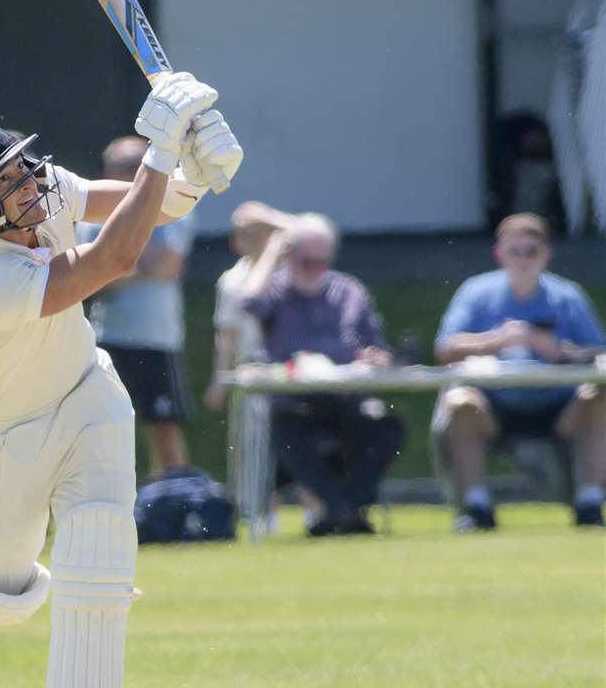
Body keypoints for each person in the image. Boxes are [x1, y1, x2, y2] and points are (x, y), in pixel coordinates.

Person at [0, 73, 243, 688]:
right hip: (6, 437)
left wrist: (196, 174)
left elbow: (140, 209)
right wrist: (163, 152)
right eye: (5, 182)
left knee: (98, 561)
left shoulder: (49, 190)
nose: (28, 184)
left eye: (22, 167)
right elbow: (110, 261)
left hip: (89, 398)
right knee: (8, 593)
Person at [433, 212, 604, 530]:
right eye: (515, 251)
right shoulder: (477, 292)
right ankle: (476, 507)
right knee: (459, 402)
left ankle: (590, 504)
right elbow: (446, 348)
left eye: (532, 251)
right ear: (500, 254)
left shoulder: (567, 296)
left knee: (598, 397)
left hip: (558, 406)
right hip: (495, 407)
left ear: (547, 255)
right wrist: (496, 340)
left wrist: (556, 349)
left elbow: (598, 351)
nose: (523, 259)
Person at [239, 213, 405, 536]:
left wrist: (377, 359)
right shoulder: (274, 291)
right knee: (288, 432)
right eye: (306, 261)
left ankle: (342, 510)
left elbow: (378, 348)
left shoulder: (349, 291)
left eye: (322, 261)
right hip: (294, 403)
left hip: (347, 399)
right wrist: (273, 249)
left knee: (387, 428)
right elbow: (248, 301)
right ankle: (345, 511)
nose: (315, 269)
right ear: (288, 256)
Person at [77, 135, 197, 478]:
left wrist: (113, 260)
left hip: (155, 335)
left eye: (135, 167)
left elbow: (167, 265)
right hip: (106, 337)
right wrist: (123, 264)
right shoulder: (89, 217)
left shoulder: (171, 204)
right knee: (100, 423)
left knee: (163, 424)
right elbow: (88, 278)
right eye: (121, 167)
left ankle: (172, 500)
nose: (128, 175)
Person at [204, 201, 295, 412]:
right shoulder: (230, 281)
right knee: (253, 441)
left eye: (259, 232)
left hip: (290, 368)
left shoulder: (291, 272)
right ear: (234, 242)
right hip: (251, 371)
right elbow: (226, 335)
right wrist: (218, 382)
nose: (253, 239)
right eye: (246, 234)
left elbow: (308, 231)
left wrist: (267, 215)